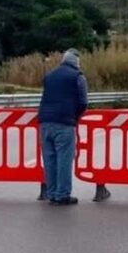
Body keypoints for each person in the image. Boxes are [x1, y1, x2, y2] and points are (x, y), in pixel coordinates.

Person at [38, 49, 88, 206]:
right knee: (64, 159)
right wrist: (75, 116)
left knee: (49, 158)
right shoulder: (78, 77)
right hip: (64, 122)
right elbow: (83, 102)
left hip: (45, 122)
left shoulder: (49, 76)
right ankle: (62, 194)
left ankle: (52, 194)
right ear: (76, 62)